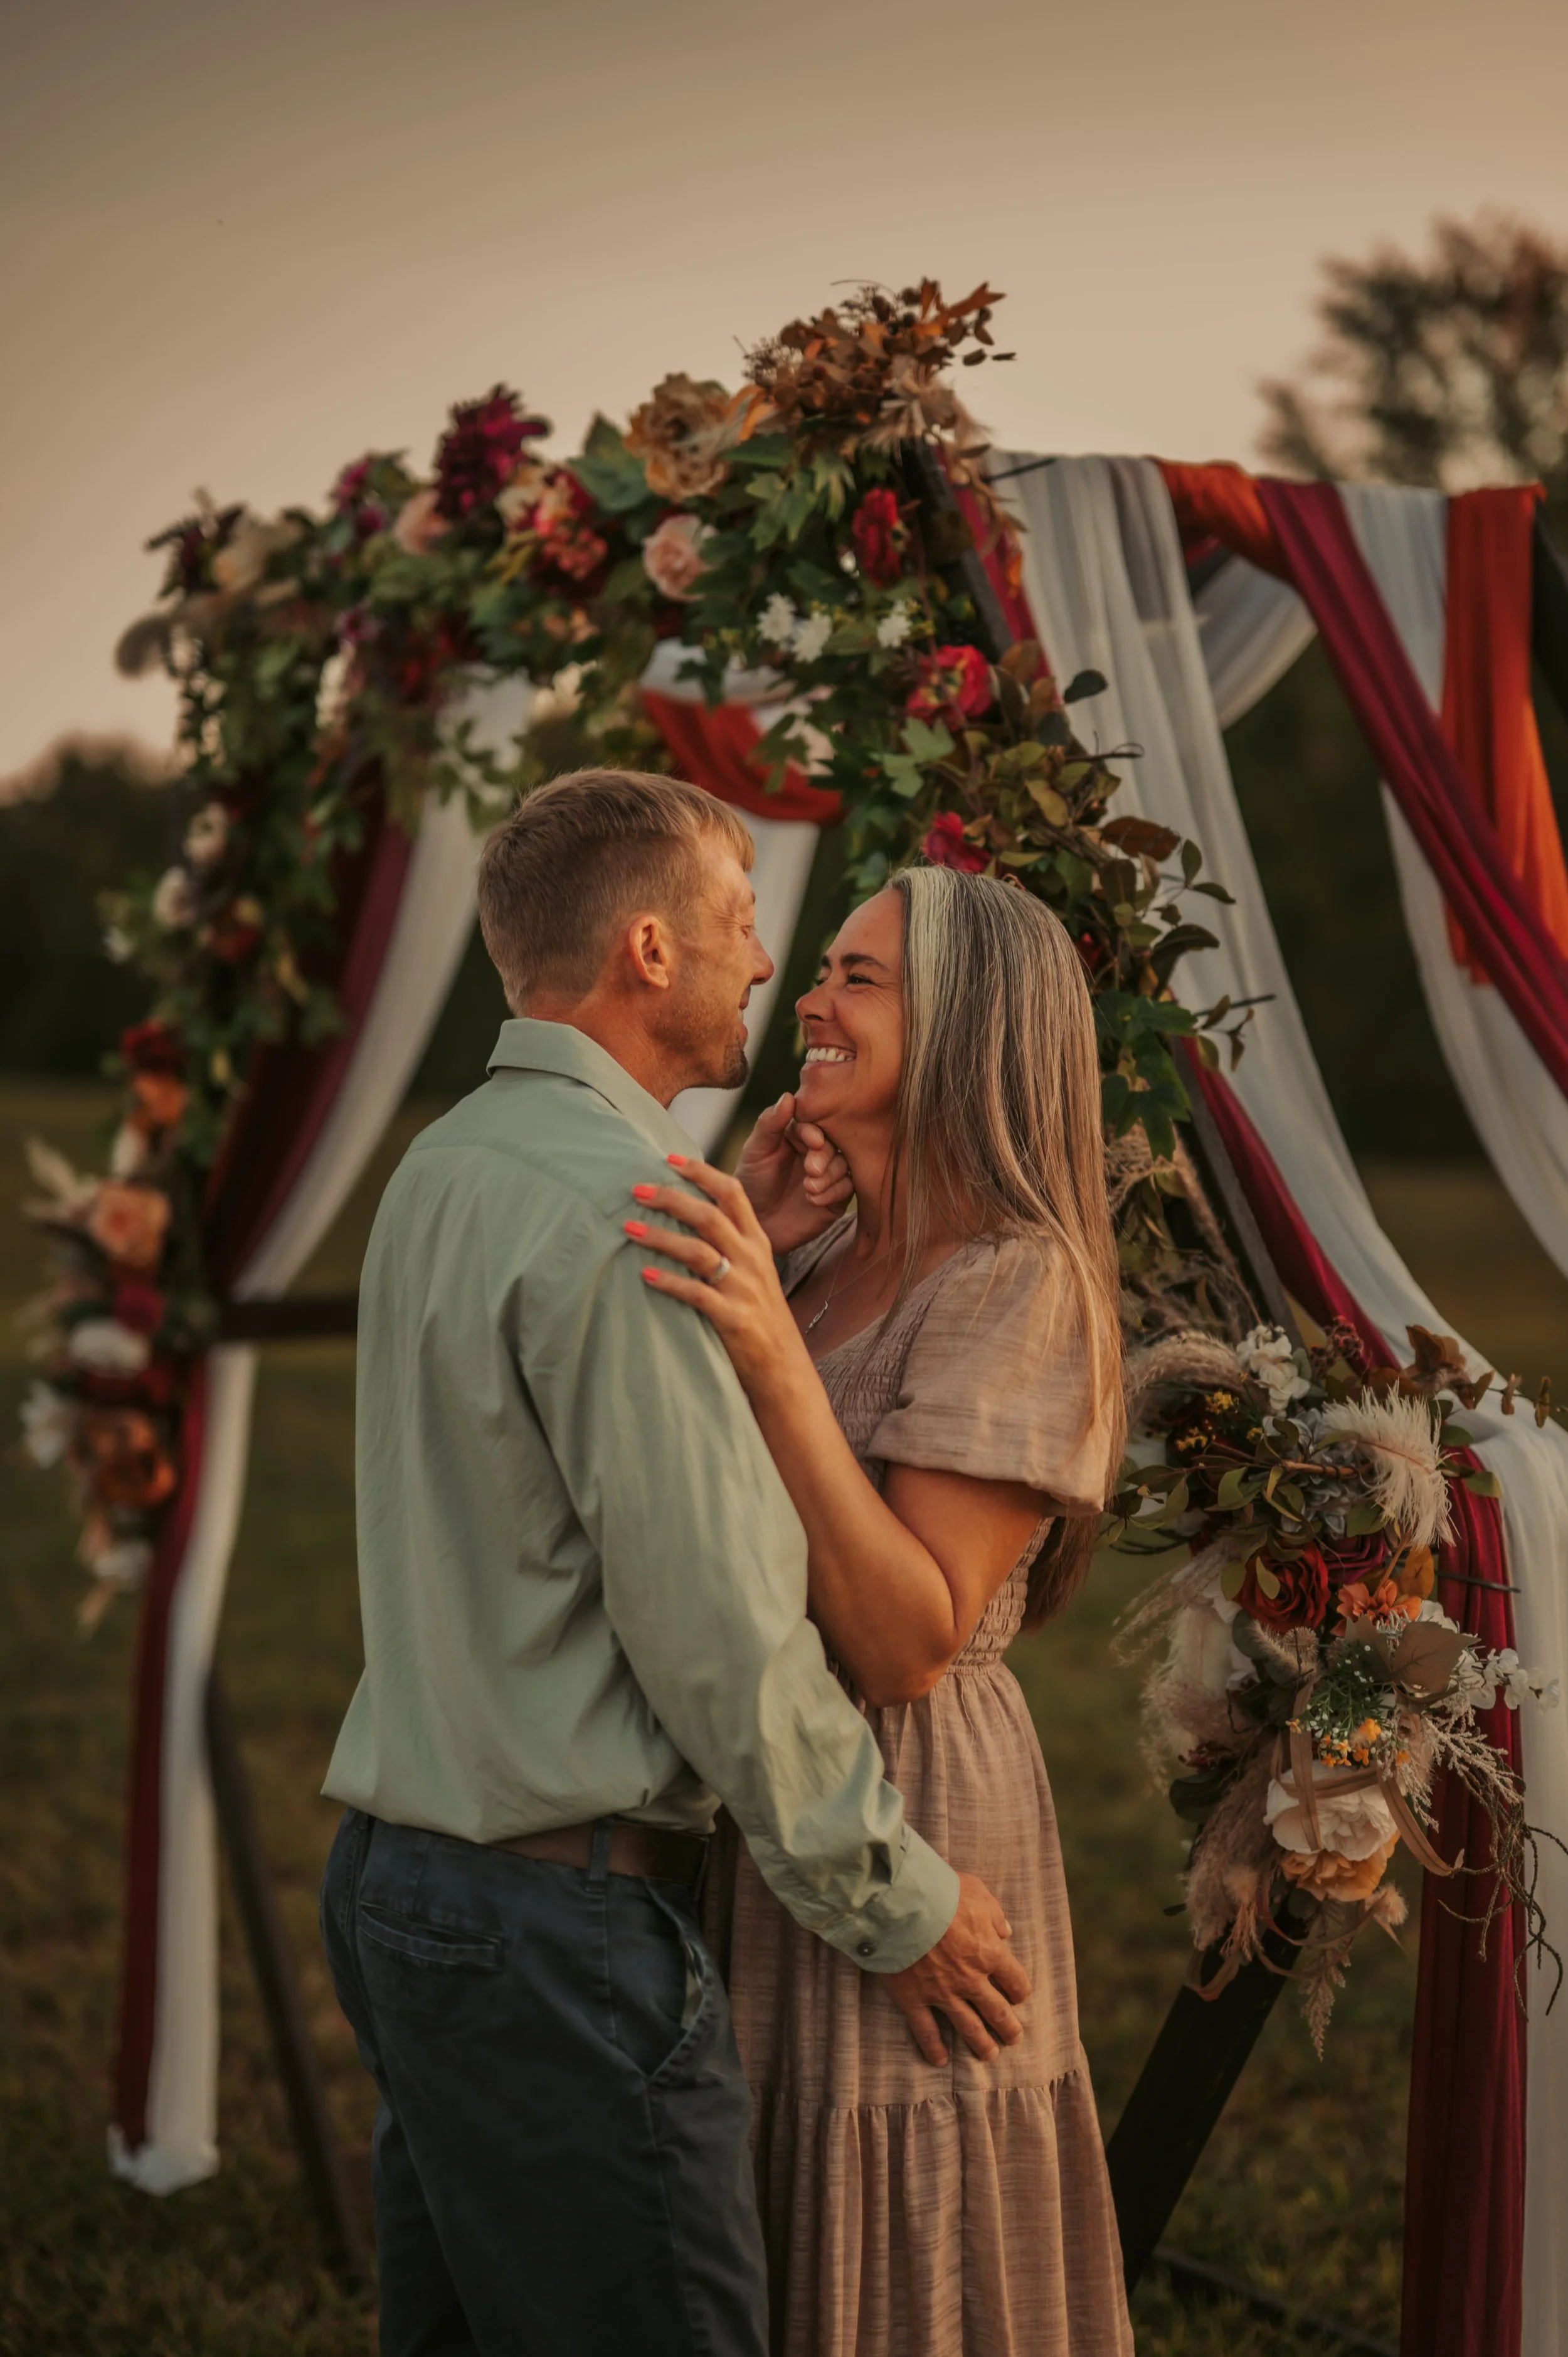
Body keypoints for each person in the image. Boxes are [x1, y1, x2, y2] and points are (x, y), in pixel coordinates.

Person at [317, 770, 1029, 2357]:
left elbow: (522, 1496)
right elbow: (716, 1633)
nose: (762, 968)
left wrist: (749, 1258)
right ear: (646, 951)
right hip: (556, 1933)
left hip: (396, 1883)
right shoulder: (630, 1215)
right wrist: (897, 1900)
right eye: (736, 925)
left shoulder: (448, 1165)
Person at [631, 865, 1135, 2356]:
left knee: (894, 2223)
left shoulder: (1019, 1282)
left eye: (860, 978)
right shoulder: (838, 1257)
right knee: (764, 2211)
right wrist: (778, 1264)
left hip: (909, 1797)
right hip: (782, 1787)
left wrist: (768, 1348)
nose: (809, 999)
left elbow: (906, 1633)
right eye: (826, 968)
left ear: (972, 1028)